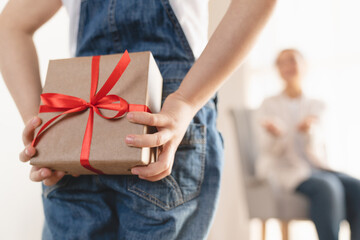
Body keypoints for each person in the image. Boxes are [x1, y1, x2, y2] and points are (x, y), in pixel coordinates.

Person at [0, 0, 276, 239]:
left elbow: (9, 26)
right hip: (107, 126)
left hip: (155, 128)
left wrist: (185, 101)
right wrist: (43, 130)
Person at [256, 49, 360, 240]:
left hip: (317, 167)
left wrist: (309, 131)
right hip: (286, 170)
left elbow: (320, 147)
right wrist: (277, 136)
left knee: (356, 187)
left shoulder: (317, 105)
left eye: (293, 61)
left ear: (304, 66)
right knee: (328, 187)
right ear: (277, 70)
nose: (288, 66)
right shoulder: (267, 105)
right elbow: (267, 150)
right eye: (282, 63)